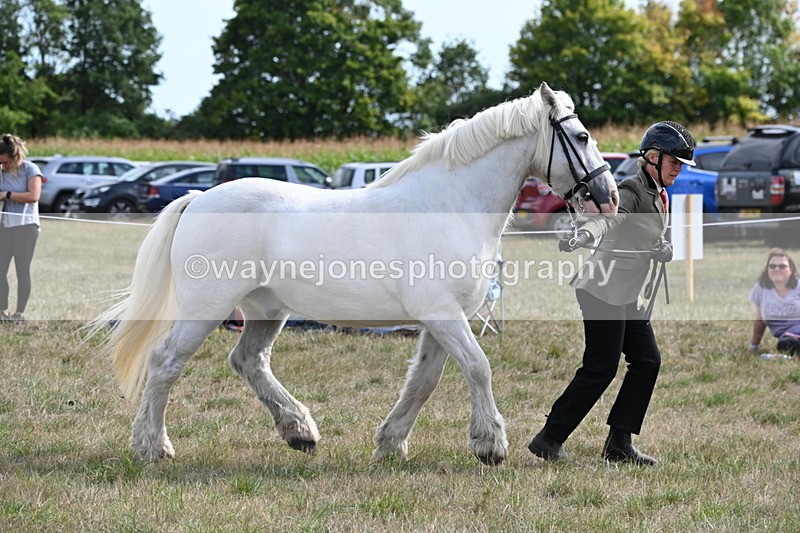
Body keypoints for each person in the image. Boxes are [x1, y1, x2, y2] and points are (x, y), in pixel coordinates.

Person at [528, 121, 696, 466]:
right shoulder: (631, 189)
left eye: (681, 165)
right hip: (602, 290)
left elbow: (648, 234)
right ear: (653, 157)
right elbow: (608, 219)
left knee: (647, 361)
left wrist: (662, 247)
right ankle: (549, 438)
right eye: (674, 162)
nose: (678, 170)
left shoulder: (656, 192)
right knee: (601, 367)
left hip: (626, 292)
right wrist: (582, 236)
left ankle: (619, 444)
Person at [0, 133, 43, 322]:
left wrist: (7, 195)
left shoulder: (30, 169)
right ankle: (2, 310)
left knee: (22, 270)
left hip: (26, 227)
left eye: (5, 162)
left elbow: (34, 196)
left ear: (14, 157)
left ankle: (19, 313)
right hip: (5, 226)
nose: (3, 166)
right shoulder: (1, 172)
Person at [748, 249, 800, 356]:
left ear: (791, 269)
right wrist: (754, 346)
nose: (777, 269)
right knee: (785, 344)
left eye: (782, 266)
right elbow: (760, 320)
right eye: (772, 266)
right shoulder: (761, 288)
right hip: (787, 338)